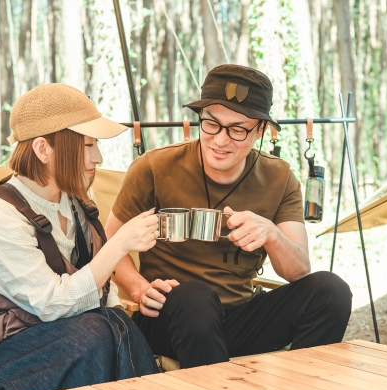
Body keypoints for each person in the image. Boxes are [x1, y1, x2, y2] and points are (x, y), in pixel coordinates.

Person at [105, 65, 352, 369]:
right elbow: (109, 241)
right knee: (195, 296)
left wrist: (272, 234)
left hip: (238, 317)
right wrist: (140, 289)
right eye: (211, 124)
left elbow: (299, 271)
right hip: (171, 317)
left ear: (261, 130)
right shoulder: (154, 168)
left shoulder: (280, 177)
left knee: (331, 291)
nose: (221, 141)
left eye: (238, 129)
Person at [0, 83, 159, 390]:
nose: (98, 157)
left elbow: (95, 294)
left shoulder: (74, 200)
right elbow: (53, 303)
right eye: (87, 146)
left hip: (59, 337)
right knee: (93, 334)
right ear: (43, 150)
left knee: (113, 321)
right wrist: (118, 246)